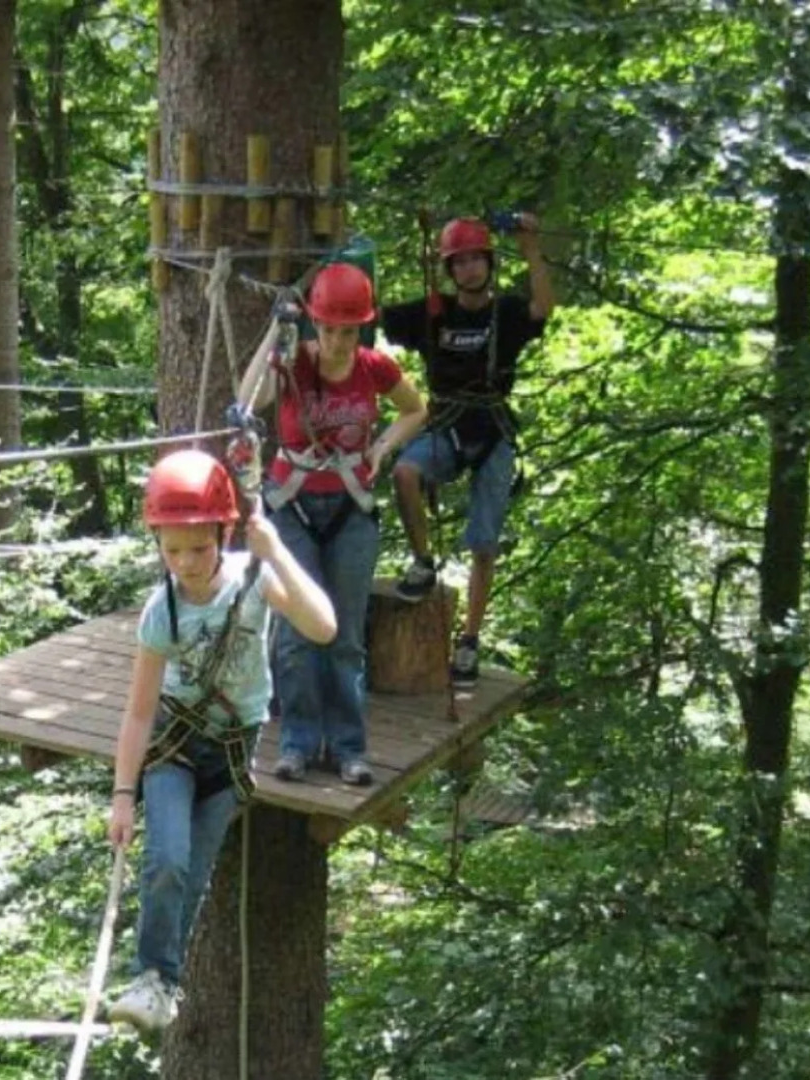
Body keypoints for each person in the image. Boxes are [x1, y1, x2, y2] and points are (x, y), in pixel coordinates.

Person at [106, 449, 336, 1031]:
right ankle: (150, 977)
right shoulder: (162, 612)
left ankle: (166, 987)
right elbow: (138, 715)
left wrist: (276, 550)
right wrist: (122, 794)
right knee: (166, 863)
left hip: (233, 751)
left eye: (199, 548)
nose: (185, 562)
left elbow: (323, 627)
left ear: (223, 532)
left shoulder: (255, 582)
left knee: (194, 873)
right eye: (171, 549)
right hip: (174, 748)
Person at [252, 262, 428, 786]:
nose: (335, 341)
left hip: (350, 507)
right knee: (296, 632)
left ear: (361, 329)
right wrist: (274, 337)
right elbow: (248, 398)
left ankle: (350, 748)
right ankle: (298, 744)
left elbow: (415, 409)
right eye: (327, 328)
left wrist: (381, 446)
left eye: (347, 330)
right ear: (314, 324)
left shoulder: (374, 367)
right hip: (293, 507)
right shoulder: (292, 364)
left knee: (346, 635)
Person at [380, 212, 555, 688]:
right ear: (450, 270)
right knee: (404, 473)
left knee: (483, 542)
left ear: (489, 265)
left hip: (492, 430)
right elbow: (370, 314)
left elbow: (543, 306)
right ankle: (423, 561)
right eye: (461, 263)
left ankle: (469, 641)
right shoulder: (433, 312)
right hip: (448, 424)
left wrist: (531, 247)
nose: (470, 270)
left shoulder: (508, 313)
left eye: (478, 260)